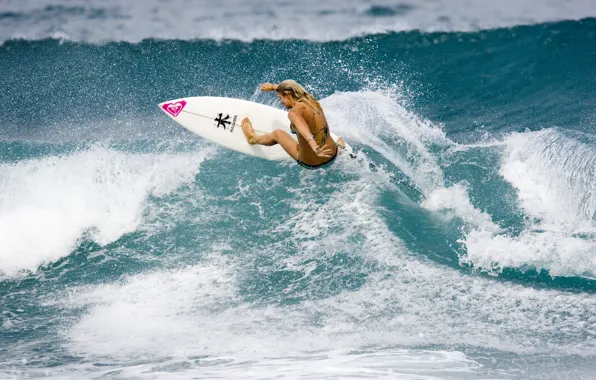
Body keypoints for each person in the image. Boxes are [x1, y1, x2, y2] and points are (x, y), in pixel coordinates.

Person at [241, 80, 344, 170]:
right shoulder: (313, 102)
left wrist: (314, 146)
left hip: (310, 162)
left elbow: (303, 129)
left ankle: (253, 138)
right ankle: (339, 148)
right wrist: (273, 87)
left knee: (278, 133)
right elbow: (297, 91)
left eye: (280, 98)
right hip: (331, 155)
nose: (281, 102)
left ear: (288, 95)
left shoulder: (294, 113)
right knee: (326, 136)